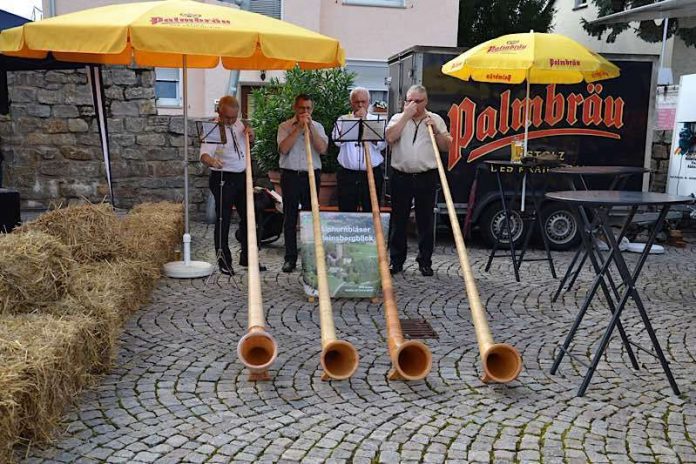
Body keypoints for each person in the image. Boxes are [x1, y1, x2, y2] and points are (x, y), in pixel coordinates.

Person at [385, 85, 453, 277]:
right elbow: (389, 138)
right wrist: (406, 116)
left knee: (425, 220)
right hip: (401, 175)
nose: (413, 104)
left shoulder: (435, 119)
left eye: (418, 101)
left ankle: (425, 261)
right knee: (399, 220)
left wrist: (436, 131)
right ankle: (396, 261)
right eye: (409, 100)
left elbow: (447, 146)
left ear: (426, 101)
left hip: (426, 175)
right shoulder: (398, 118)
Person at [199, 95, 266, 275]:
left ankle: (248, 257)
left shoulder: (240, 123)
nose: (230, 121)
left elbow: (246, 143)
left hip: (242, 177)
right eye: (227, 117)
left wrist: (251, 136)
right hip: (223, 177)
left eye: (233, 117)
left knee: (250, 216)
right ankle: (224, 261)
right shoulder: (214, 128)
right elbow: (203, 154)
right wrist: (212, 161)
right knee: (224, 219)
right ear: (219, 111)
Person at [277, 94, 329, 273]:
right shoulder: (284, 126)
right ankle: (290, 258)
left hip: (311, 175)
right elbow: (283, 148)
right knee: (289, 218)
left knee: (310, 218)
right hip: (291, 175)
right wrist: (298, 128)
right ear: (295, 108)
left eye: (308, 108)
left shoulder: (318, 127)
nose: (305, 112)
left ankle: (310, 257)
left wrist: (310, 128)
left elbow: (322, 149)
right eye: (302, 108)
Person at [333, 87, 387, 212]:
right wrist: (354, 120)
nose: (360, 105)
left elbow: (382, 145)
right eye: (357, 102)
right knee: (346, 210)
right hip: (348, 174)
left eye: (363, 101)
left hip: (372, 172)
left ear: (369, 102)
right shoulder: (343, 120)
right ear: (351, 102)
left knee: (371, 210)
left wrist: (365, 122)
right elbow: (336, 141)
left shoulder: (377, 120)